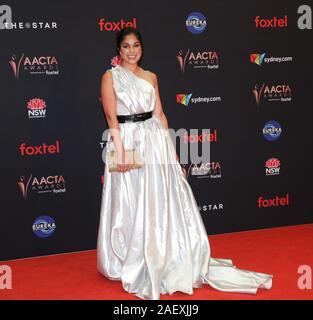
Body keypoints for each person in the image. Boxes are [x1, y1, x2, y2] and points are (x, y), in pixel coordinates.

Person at [97, 27, 273, 300]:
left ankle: (162, 254)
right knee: (130, 200)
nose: (132, 51)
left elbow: (160, 114)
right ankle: (130, 258)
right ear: (118, 51)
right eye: (126, 46)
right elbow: (111, 117)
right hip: (127, 142)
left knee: (156, 200)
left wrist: (172, 150)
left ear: (142, 49)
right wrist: (120, 153)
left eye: (136, 46)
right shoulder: (110, 77)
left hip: (155, 141)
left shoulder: (151, 77)